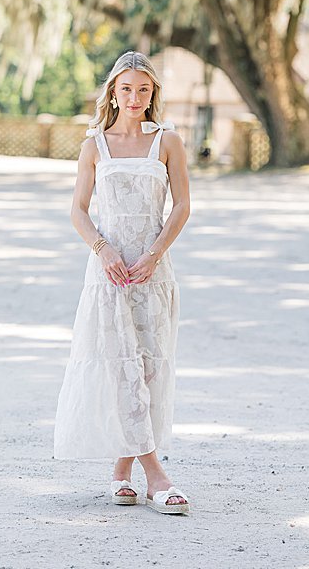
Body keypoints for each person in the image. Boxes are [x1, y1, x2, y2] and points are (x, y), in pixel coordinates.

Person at [55, 50, 192, 514]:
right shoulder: (95, 145)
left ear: (154, 94)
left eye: (144, 89)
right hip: (109, 274)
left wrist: (154, 254)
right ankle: (157, 476)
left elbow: (181, 207)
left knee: (149, 370)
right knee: (120, 368)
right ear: (113, 92)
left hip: (152, 272)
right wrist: (103, 249)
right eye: (127, 88)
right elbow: (78, 209)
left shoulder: (167, 141)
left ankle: (120, 473)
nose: (135, 98)